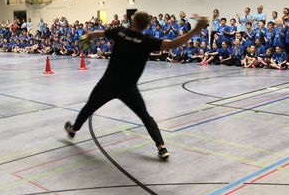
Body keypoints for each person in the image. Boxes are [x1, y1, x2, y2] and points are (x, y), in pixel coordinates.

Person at [64, 12, 209, 159]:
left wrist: (88, 36)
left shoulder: (119, 32)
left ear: (132, 21)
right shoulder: (147, 41)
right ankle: (161, 147)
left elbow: (97, 33)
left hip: (108, 83)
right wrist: (196, 29)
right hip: (129, 88)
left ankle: (73, 129)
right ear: (147, 26)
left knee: (89, 106)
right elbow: (173, 44)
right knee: (146, 117)